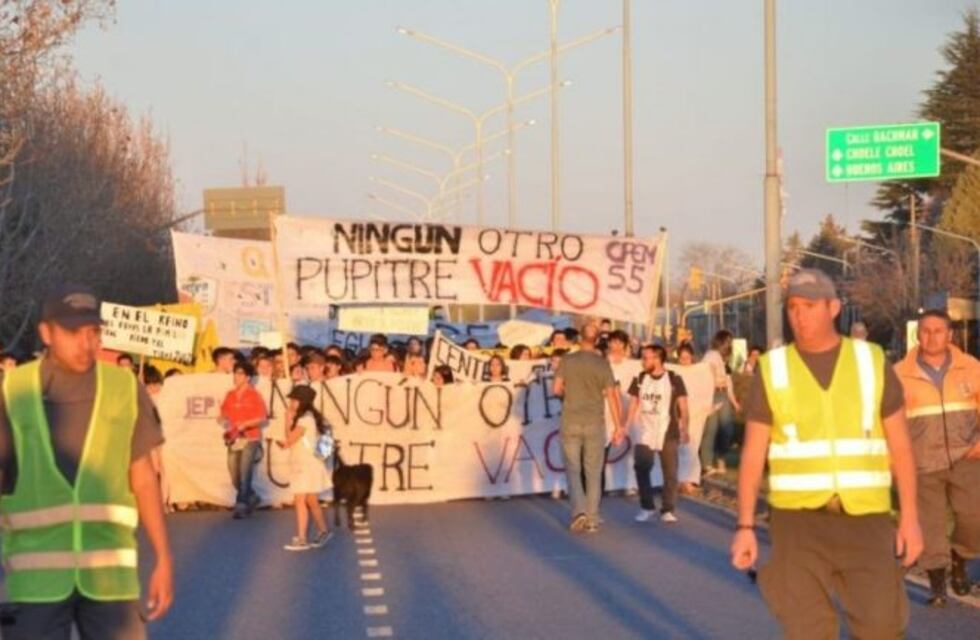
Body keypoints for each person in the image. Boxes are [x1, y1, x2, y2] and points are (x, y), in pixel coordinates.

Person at [731, 269, 922, 639]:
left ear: (833, 307)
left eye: (810, 306)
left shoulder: (871, 361)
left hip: (866, 521)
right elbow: (754, 455)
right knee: (807, 631)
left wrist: (911, 518)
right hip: (797, 525)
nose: (799, 315)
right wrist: (744, 526)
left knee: (882, 627)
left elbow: (901, 446)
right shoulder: (774, 370)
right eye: (792, 307)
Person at [0, 284, 173, 638]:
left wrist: (163, 558)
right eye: (72, 332)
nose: (86, 343)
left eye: (93, 331)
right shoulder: (13, 391)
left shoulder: (124, 387)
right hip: (36, 578)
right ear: (46, 333)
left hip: (110, 575)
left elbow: (142, 475)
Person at [894, 309, 980, 606]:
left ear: (950, 335)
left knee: (974, 518)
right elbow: (889, 421)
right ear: (918, 334)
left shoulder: (971, 368)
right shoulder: (898, 374)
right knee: (929, 526)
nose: (932, 336)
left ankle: (960, 558)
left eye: (938, 331)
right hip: (922, 463)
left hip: (966, 456)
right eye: (926, 331)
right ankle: (938, 584)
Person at [553, 323, 624, 533]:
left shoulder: (567, 360)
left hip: (570, 421)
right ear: (597, 341)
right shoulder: (602, 364)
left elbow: (556, 389)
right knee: (593, 471)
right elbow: (612, 395)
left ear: (579, 338)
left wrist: (571, 394)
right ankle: (593, 517)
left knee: (573, 470)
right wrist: (619, 425)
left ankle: (579, 512)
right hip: (595, 422)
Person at [625, 344, 689, 524]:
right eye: (642, 358)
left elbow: (683, 406)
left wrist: (685, 428)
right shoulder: (639, 378)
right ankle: (647, 506)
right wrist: (626, 425)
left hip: (668, 430)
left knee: (670, 471)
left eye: (647, 358)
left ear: (658, 359)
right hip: (645, 429)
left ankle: (667, 509)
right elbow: (633, 403)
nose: (643, 361)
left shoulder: (674, 379)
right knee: (642, 467)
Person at [276, 385, 333, 551]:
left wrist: (287, 421)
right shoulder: (309, 417)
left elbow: (289, 439)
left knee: (300, 500)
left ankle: (302, 538)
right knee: (311, 500)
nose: (291, 402)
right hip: (311, 464)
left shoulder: (304, 420)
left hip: (305, 465)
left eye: (294, 400)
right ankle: (323, 531)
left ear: (302, 402)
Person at [220, 361, 267, 519]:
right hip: (233, 438)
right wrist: (223, 421)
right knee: (234, 474)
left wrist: (245, 424)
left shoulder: (254, 395)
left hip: (250, 437)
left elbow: (262, 417)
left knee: (245, 472)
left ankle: (241, 505)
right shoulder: (230, 395)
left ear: (247, 377)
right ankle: (251, 496)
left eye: (240, 373)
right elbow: (223, 414)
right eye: (235, 373)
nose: (236, 376)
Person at [700, 330, 741, 476]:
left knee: (727, 430)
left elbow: (728, 381)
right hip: (713, 393)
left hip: (722, 393)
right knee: (711, 430)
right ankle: (707, 463)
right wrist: (709, 399)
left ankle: (720, 457)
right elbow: (707, 376)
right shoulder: (711, 355)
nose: (729, 344)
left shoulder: (723, 359)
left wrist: (734, 402)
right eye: (728, 341)